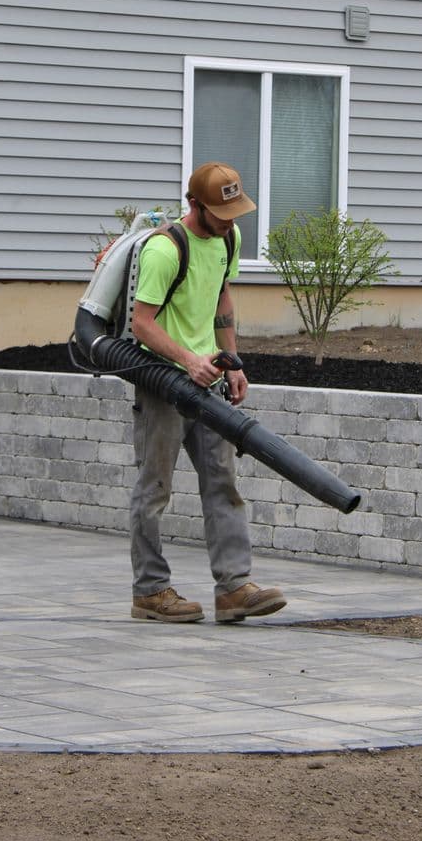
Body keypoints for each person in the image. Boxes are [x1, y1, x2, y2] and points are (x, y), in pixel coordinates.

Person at [127, 161, 287, 624]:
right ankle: (150, 591)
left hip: (208, 381)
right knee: (154, 490)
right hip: (164, 383)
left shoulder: (227, 239)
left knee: (223, 483)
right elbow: (142, 323)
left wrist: (230, 360)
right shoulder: (165, 250)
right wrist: (188, 360)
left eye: (235, 212)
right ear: (195, 205)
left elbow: (221, 297)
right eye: (221, 213)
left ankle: (234, 588)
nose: (230, 221)